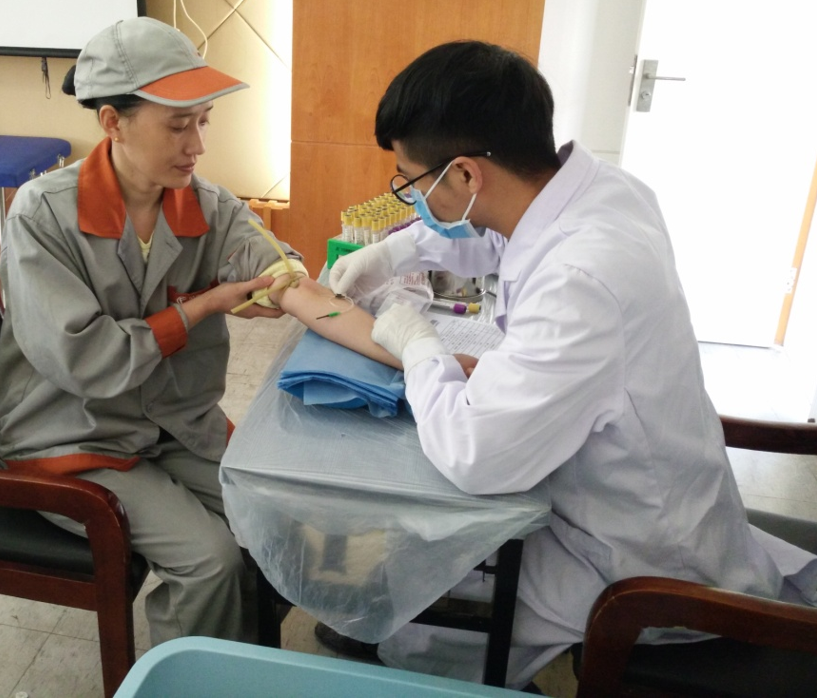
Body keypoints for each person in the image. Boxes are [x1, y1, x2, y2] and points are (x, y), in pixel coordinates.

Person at [329, 40, 814, 688]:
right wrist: (397, 253)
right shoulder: (605, 191)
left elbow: (475, 456)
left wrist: (417, 343)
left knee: (434, 614)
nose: (411, 198)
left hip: (637, 561)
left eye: (412, 182)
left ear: (467, 174)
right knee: (428, 577)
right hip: (644, 492)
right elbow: (502, 238)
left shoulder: (579, 280)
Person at [0, 16, 309, 646]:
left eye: (204, 121)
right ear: (113, 122)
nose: (198, 145)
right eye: (178, 125)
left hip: (170, 423)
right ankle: (190, 680)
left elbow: (265, 253)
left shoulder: (203, 201)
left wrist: (288, 277)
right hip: (72, 435)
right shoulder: (41, 216)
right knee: (211, 561)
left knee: (279, 517)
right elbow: (86, 360)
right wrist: (201, 307)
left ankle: (245, 661)